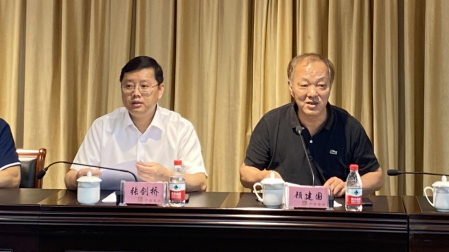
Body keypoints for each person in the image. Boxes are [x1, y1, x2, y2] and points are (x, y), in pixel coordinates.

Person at [240, 53, 383, 197]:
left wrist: (348, 185)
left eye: (321, 85)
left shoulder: (349, 126)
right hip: (283, 208)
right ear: (291, 87)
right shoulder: (271, 123)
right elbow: (246, 173)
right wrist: (266, 176)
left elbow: (376, 177)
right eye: (304, 85)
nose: (313, 93)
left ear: (330, 87)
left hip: (333, 209)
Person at [65, 56, 208, 192]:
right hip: (111, 208)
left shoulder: (180, 128)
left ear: (160, 90)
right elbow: (70, 178)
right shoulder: (102, 126)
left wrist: (167, 175)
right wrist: (79, 177)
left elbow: (200, 182)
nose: (136, 93)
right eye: (128, 86)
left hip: (164, 208)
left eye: (144, 86)